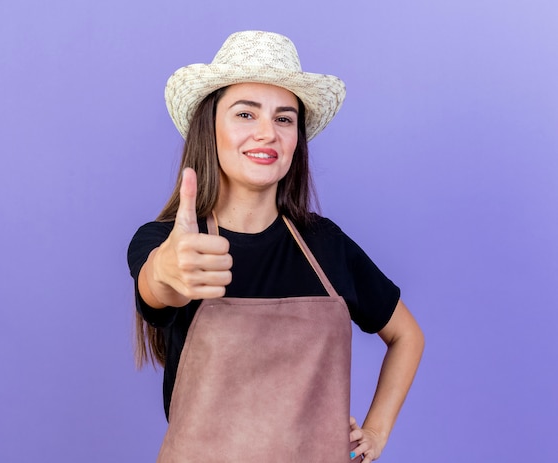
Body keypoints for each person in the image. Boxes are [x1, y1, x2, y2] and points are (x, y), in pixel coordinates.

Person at [127, 30, 424, 463]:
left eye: (284, 119)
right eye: (245, 115)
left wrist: (376, 431)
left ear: (296, 140)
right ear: (210, 129)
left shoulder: (327, 246)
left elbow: (407, 336)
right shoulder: (168, 242)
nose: (267, 132)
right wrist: (166, 274)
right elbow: (158, 288)